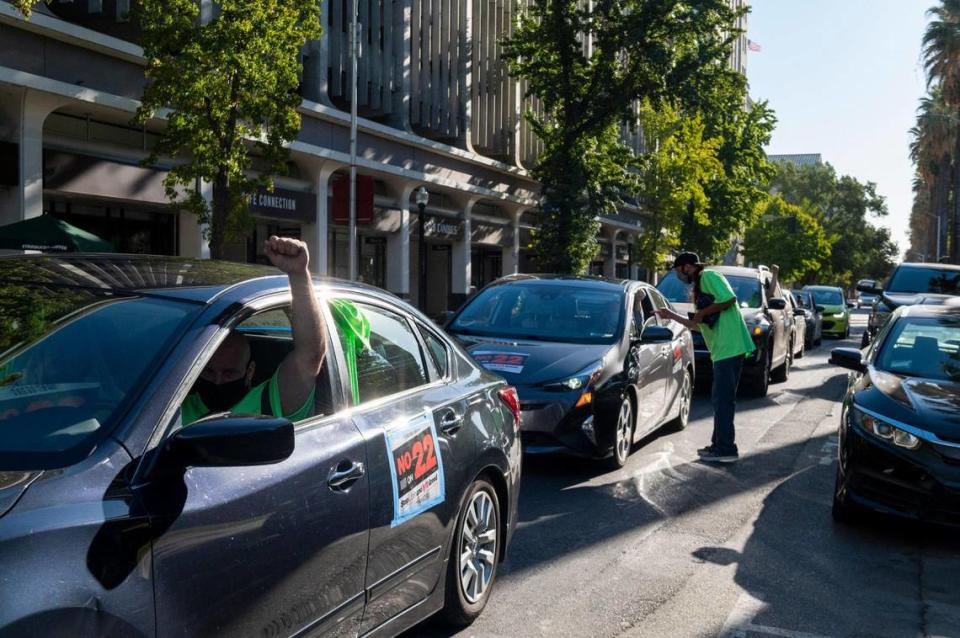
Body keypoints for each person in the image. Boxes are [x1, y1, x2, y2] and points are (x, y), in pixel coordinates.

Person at [181, 236, 327, 425]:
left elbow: (311, 355)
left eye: (229, 373)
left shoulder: (269, 403)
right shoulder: (173, 406)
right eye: (208, 372)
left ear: (250, 371)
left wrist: (298, 275)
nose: (217, 382)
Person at [655, 252, 755, 463]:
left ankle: (727, 449)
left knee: (723, 400)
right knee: (720, 398)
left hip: (729, 346)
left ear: (687, 267)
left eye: (678, 269)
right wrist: (671, 315)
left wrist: (701, 313)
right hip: (723, 348)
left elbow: (729, 299)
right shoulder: (700, 286)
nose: (678, 275)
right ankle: (718, 444)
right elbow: (695, 325)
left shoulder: (708, 276)